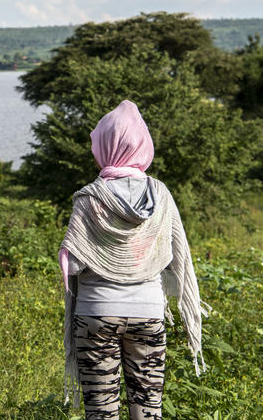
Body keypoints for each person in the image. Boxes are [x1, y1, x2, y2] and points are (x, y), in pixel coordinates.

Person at [59, 100, 207, 420]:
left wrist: (104, 252)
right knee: (149, 410)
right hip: (148, 312)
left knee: (101, 412)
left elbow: (74, 265)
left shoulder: (89, 197)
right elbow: (174, 254)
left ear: (104, 146)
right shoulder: (161, 194)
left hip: (96, 313)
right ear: (142, 145)